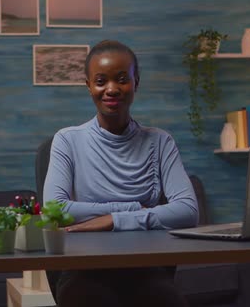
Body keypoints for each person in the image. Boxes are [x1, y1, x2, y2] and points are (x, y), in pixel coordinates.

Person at [43, 39, 199, 307]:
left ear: (136, 82)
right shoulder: (67, 140)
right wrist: (132, 208)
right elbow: (53, 209)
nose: (111, 89)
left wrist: (113, 220)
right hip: (83, 270)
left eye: (122, 79)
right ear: (89, 85)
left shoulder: (160, 142)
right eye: (101, 80)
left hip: (146, 268)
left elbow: (187, 210)